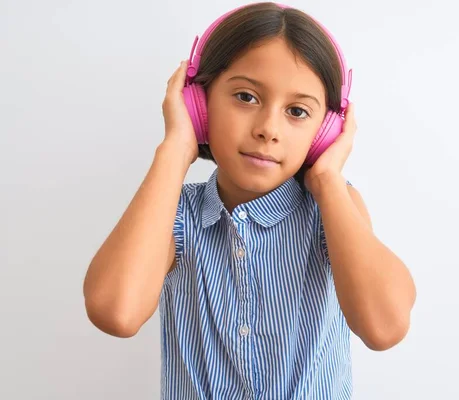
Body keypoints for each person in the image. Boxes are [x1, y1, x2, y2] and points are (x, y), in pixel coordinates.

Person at [83, 2, 416, 399]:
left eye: (297, 111)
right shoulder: (174, 215)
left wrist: (327, 178)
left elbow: (384, 328)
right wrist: (175, 149)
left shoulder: (334, 208)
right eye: (246, 96)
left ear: (326, 130)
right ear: (200, 104)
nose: (268, 129)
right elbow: (116, 312)